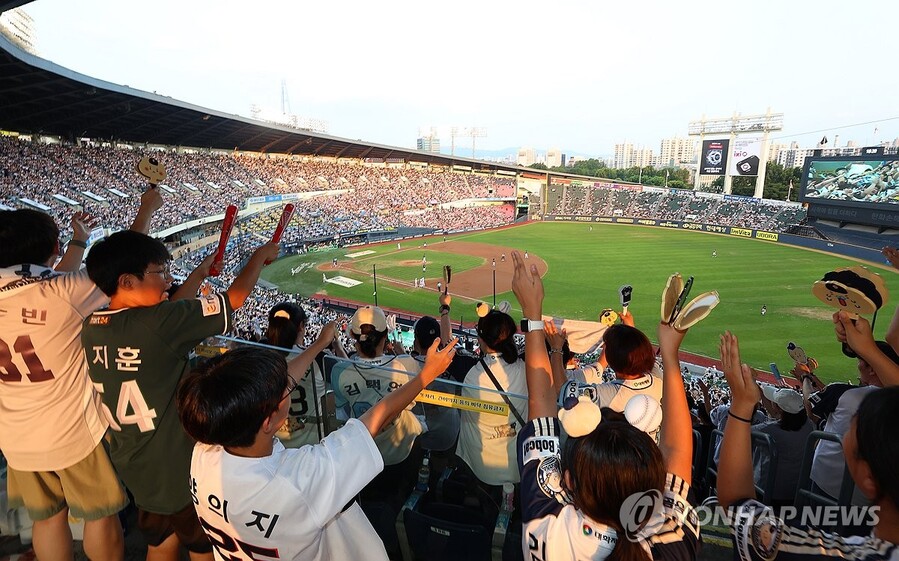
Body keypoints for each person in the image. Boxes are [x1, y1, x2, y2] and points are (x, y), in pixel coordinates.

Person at [82, 230, 279, 561]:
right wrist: (259, 257)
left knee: (161, 543)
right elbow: (233, 300)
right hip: (179, 468)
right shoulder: (159, 324)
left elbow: (162, 319)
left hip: (137, 464)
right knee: (205, 548)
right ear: (127, 281)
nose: (168, 280)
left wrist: (199, 274)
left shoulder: (93, 326)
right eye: (160, 272)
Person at [176, 337, 457, 561]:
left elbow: (269, 392)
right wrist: (426, 375)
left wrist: (319, 343)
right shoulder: (303, 480)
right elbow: (375, 420)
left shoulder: (203, 453)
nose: (289, 384)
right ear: (269, 420)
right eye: (283, 389)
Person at [0, 191, 160, 561]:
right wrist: (146, 208)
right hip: (73, 432)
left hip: (16, 437)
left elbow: (43, 278)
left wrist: (79, 242)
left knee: (46, 519)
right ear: (53, 248)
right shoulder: (63, 295)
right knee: (100, 515)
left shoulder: (56, 289)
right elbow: (126, 256)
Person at [510, 251, 699, 561]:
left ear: (568, 481)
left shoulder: (548, 531)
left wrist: (535, 317)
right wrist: (669, 353)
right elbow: (677, 451)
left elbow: (545, 398)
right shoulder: (670, 541)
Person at [717, 332, 899, 559]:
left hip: (825, 492)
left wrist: (742, 404)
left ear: (868, 477)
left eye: (854, 428)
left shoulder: (817, 551)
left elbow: (737, 506)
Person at [330, 306, 422, 466]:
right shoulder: (406, 364)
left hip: (365, 454)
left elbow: (341, 412)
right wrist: (397, 345)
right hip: (402, 449)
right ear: (385, 335)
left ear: (353, 336)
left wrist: (337, 346)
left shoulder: (339, 371)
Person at [454, 307, 527, 487]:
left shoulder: (469, 371)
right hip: (518, 465)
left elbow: (445, 344)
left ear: (481, 339)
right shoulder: (526, 368)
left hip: (479, 465)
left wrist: (445, 310)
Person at [265, 302, 346, 447]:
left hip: (273, 445)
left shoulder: (258, 359)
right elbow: (349, 376)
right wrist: (337, 347)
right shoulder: (320, 359)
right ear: (301, 326)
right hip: (311, 446)